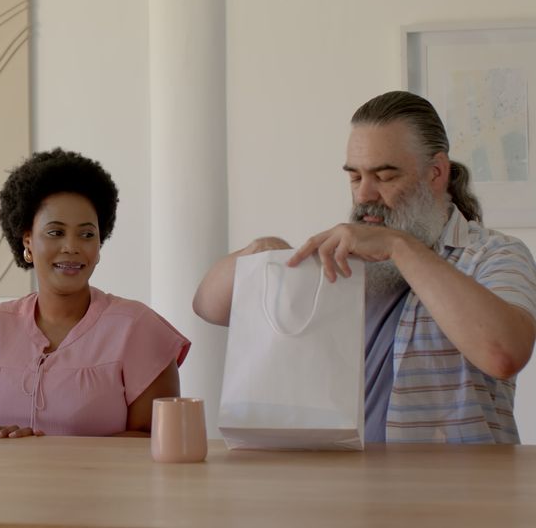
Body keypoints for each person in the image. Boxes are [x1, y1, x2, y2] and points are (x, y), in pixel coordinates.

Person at [194, 91, 536, 443]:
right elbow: (208, 305)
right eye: (355, 177)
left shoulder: (496, 254)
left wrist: (398, 246)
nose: (363, 195)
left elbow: (503, 354)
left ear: (436, 173)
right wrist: (257, 255)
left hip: (463, 492)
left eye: (384, 177)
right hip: (343, 487)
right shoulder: (339, 260)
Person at [0, 148, 191, 438]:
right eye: (55, 232)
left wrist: (47, 453)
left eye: (87, 234)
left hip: (102, 485)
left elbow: (155, 445)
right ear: (28, 240)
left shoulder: (138, 328)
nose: (72, 246)